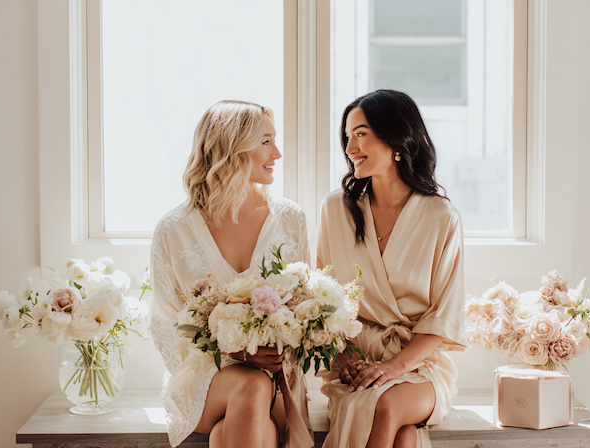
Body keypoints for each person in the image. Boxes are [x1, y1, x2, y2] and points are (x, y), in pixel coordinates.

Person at [149, 100, 313, 448]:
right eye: (266, 141)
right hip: (205, 378)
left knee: (234, 432)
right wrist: (236, 352)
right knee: (250, 387)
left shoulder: (289, 219)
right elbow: (165, 326)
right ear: (231, 148)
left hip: (276, 377)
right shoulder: (173, 230)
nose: (278, 153)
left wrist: (273, 353)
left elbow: (304, 310)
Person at [317, 90, 467, 448]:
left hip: (420, 366)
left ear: (396, 138)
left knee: (384, 407)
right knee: (403, 436)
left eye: (362, 133)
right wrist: (346, 360)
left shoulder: (441, 218)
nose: (351, 146)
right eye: (347, 136)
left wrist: (392, 368)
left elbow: (443, 320)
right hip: (356, 366)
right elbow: (322, 304)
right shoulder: (335, 210)